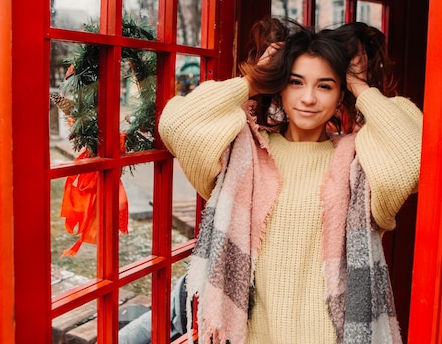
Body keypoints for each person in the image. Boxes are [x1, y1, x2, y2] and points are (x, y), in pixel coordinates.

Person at [158, 17, 423, 344]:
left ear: (340, 96)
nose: (308, 98)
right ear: (281, 87)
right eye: (296, 82)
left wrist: (361, 87)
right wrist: (253, 81)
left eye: (324, 85)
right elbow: (177, 123)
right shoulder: (247, 153)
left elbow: (416, 152)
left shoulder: (357, 162)